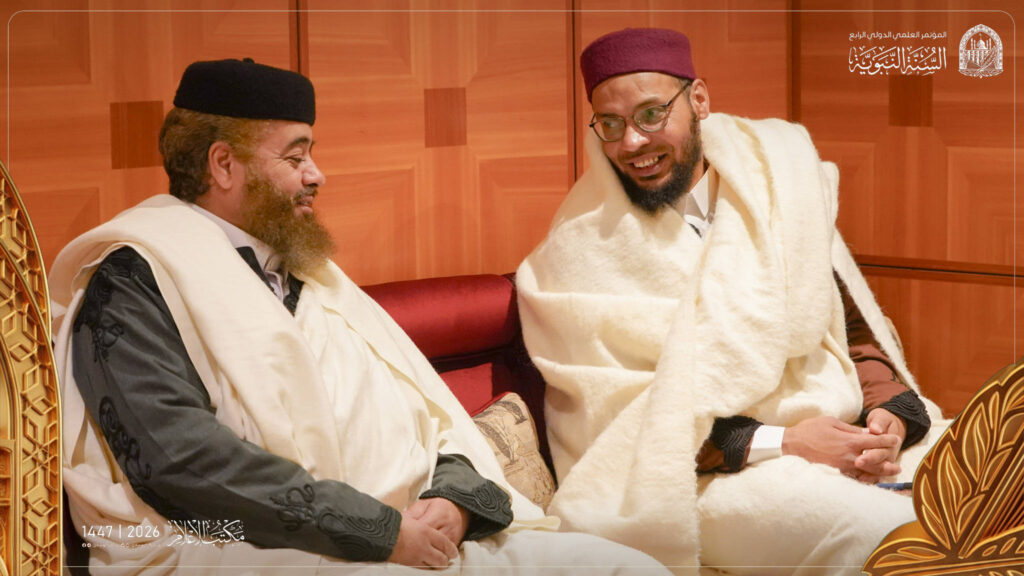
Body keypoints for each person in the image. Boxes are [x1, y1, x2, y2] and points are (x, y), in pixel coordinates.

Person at [50, 58, 668, 575]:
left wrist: (454, 503)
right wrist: (376, 531)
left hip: (415, 536)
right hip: (249, 549)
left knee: (625, 568)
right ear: (223, 164)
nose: (316, 175)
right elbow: (179, 463)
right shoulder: (135, 280)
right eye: (295, 157)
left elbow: (428, 416)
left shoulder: (310, 273)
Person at [516, 28, 945, 574]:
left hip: (843, 434)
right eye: (611, 124)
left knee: (989, 488)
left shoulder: (777, 189)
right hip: (699, 475)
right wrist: (787, 442)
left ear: (698, 100)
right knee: (895, 537)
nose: (632, 143)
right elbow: (620, 425)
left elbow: (848, 333)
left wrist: (888, 416)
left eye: (651, 115)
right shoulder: (580, 251)